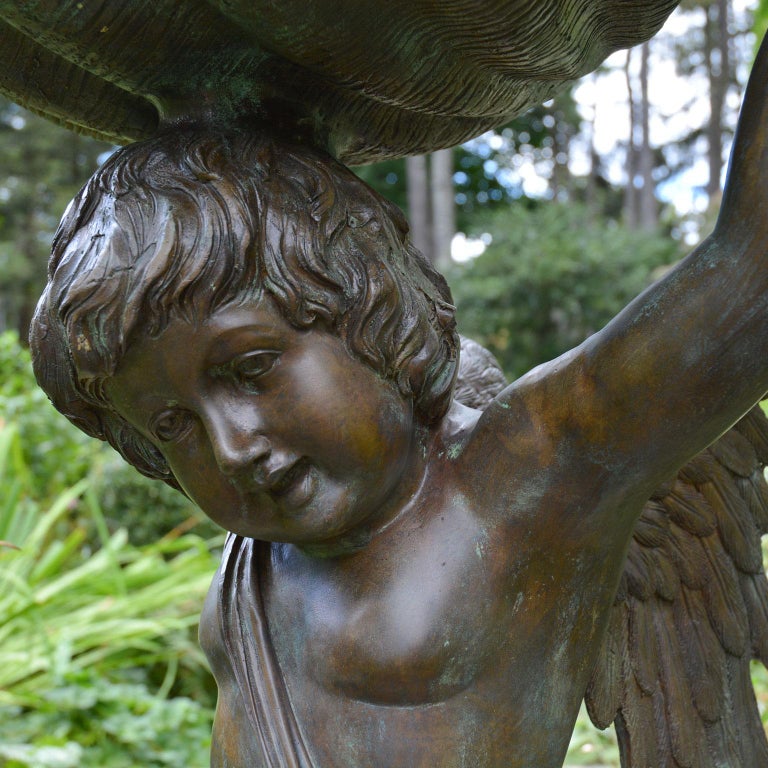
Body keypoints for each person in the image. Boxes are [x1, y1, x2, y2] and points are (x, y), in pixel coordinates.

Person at [29, 37, 768, 768]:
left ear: (367, 309)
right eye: (171, 424)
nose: (231, 447)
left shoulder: (520, 483)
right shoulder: (252, 569)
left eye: (251, 368)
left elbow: (749, 273)